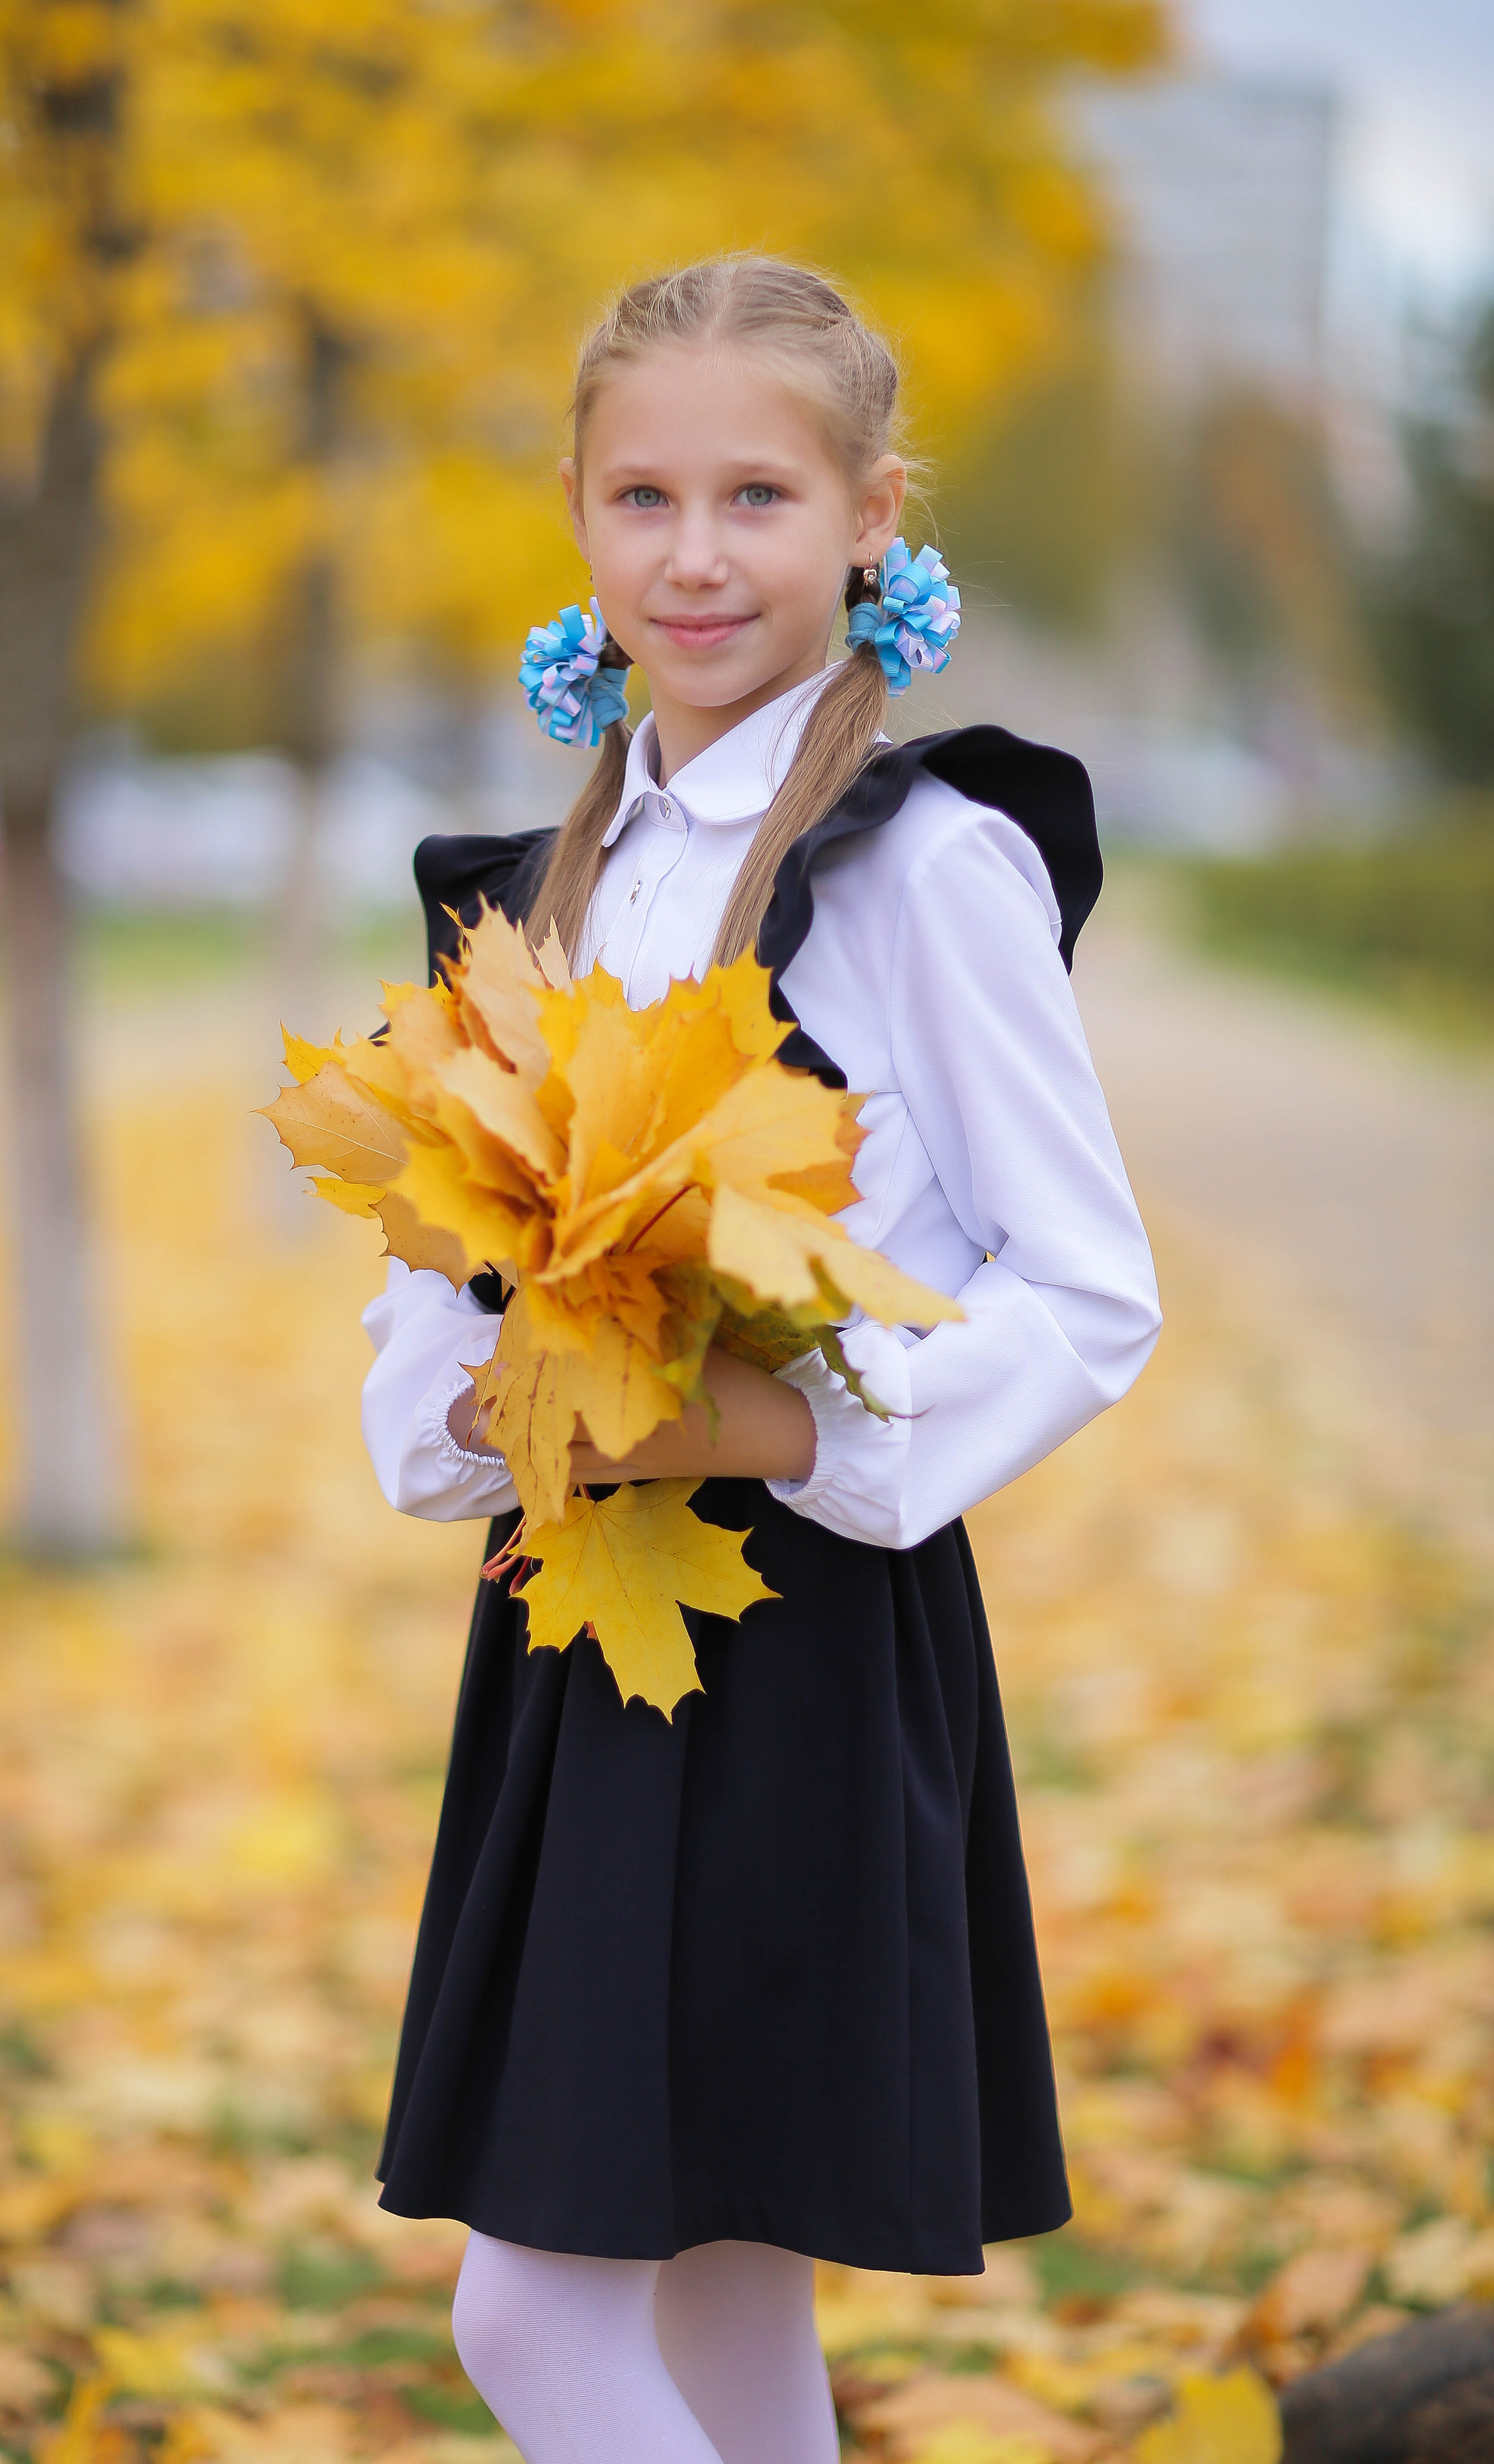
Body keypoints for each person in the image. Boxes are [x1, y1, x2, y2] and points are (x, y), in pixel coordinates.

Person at [359, 255, 1162, 2464]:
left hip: (797, 1647)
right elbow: (438, 1309)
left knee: (531, 2320)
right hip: (569, 1654)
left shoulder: (927, 867)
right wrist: (466, 1406)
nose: (694, 555)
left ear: (870, 518)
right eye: (643, 497)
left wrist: (772, 1418)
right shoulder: (525, 893)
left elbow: (1088, 1284)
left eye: (758, 497)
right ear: (577, 520)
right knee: (716, 2301)